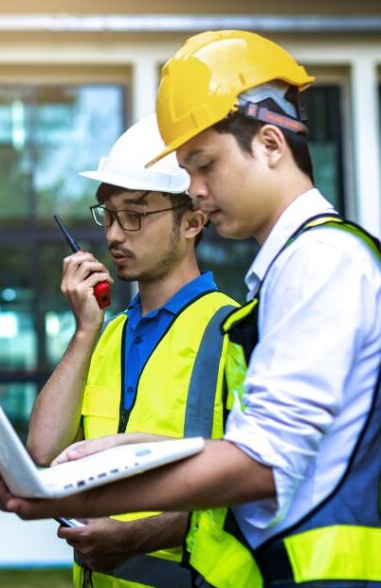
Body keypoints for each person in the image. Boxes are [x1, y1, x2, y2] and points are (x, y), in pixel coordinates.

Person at [0, 30, 381, 588]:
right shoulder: (292, 271)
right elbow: (266, 445)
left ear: (272, 144)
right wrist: (138, 449)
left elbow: (262, 464)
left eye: (204, 165)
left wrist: (70, 493)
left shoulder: (321, 261)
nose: (198, 190)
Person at [27, 115, 238, 588]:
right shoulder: (105, 335)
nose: (115, 235)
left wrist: (132, 537)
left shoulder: (233, 331)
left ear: (192, 222)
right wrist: (85, 331)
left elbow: (244, 493)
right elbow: (43, 449)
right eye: (109, 215)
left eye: (135, 215)